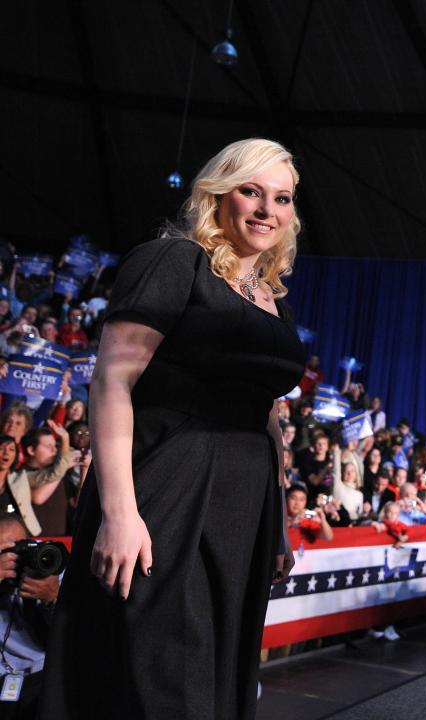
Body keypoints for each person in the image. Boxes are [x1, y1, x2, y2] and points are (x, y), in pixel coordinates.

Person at [39, 138, 306, 720]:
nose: (266, 210)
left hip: (243, 505)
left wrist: (278, 522)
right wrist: (119, 512)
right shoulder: (172, 261)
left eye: (281, 198)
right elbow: (112, 380)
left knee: (215, 669)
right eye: (250, 191)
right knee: (157, 671)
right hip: (168, 484)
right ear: (218, 194)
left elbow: (267, 415)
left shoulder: (273, 302)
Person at [0, 517, 61, 719]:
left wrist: (52, 599)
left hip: (44, 673)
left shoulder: (49, 565)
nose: (14, 559)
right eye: (4, 552)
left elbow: (78, 639)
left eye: (19, 548)